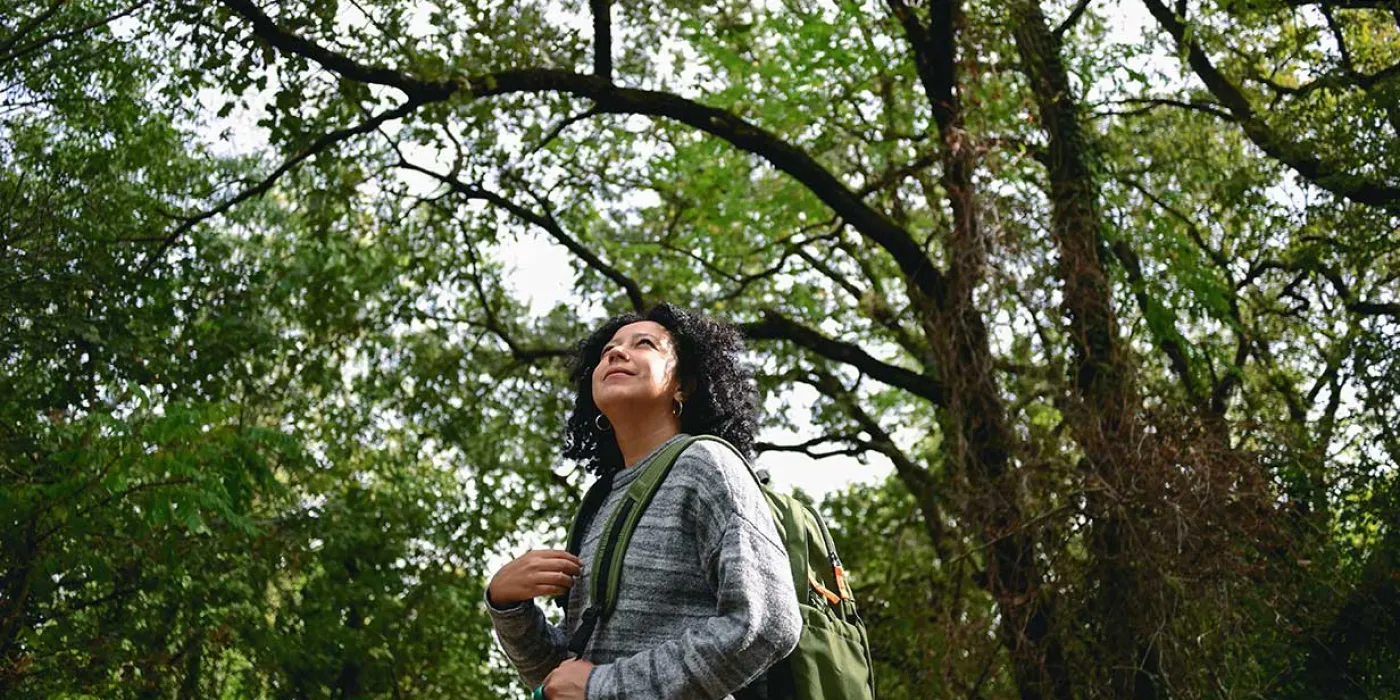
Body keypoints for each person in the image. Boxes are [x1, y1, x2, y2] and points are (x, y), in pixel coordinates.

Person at [485, 303, 802, 699]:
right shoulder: (600, 501)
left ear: (683, 385)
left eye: (645, 344)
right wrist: (508, 607)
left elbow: (765, 623)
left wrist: (604, 687)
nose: (617, 353)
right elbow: (564, 680)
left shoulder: (706, 465)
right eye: (607, 351)